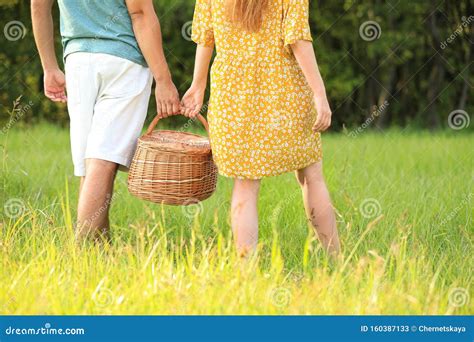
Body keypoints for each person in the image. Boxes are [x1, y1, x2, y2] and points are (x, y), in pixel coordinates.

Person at [181, 0, 341, 257]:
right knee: (311, 176)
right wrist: (319, 93)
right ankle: (336, 260)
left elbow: (205, 37)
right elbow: (298, 39)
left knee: (244, 186)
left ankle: (246, 276)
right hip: (284, 95)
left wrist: (198, 85)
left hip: (233, 98)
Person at [31, 0, 180, 240]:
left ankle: (100, 252)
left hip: (78, 60)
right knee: (102, 163)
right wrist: (163, 80)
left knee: (91, 167)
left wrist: (49, 67)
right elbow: (140, 13)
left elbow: (38, 5)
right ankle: (83, 255)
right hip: (123, 61)